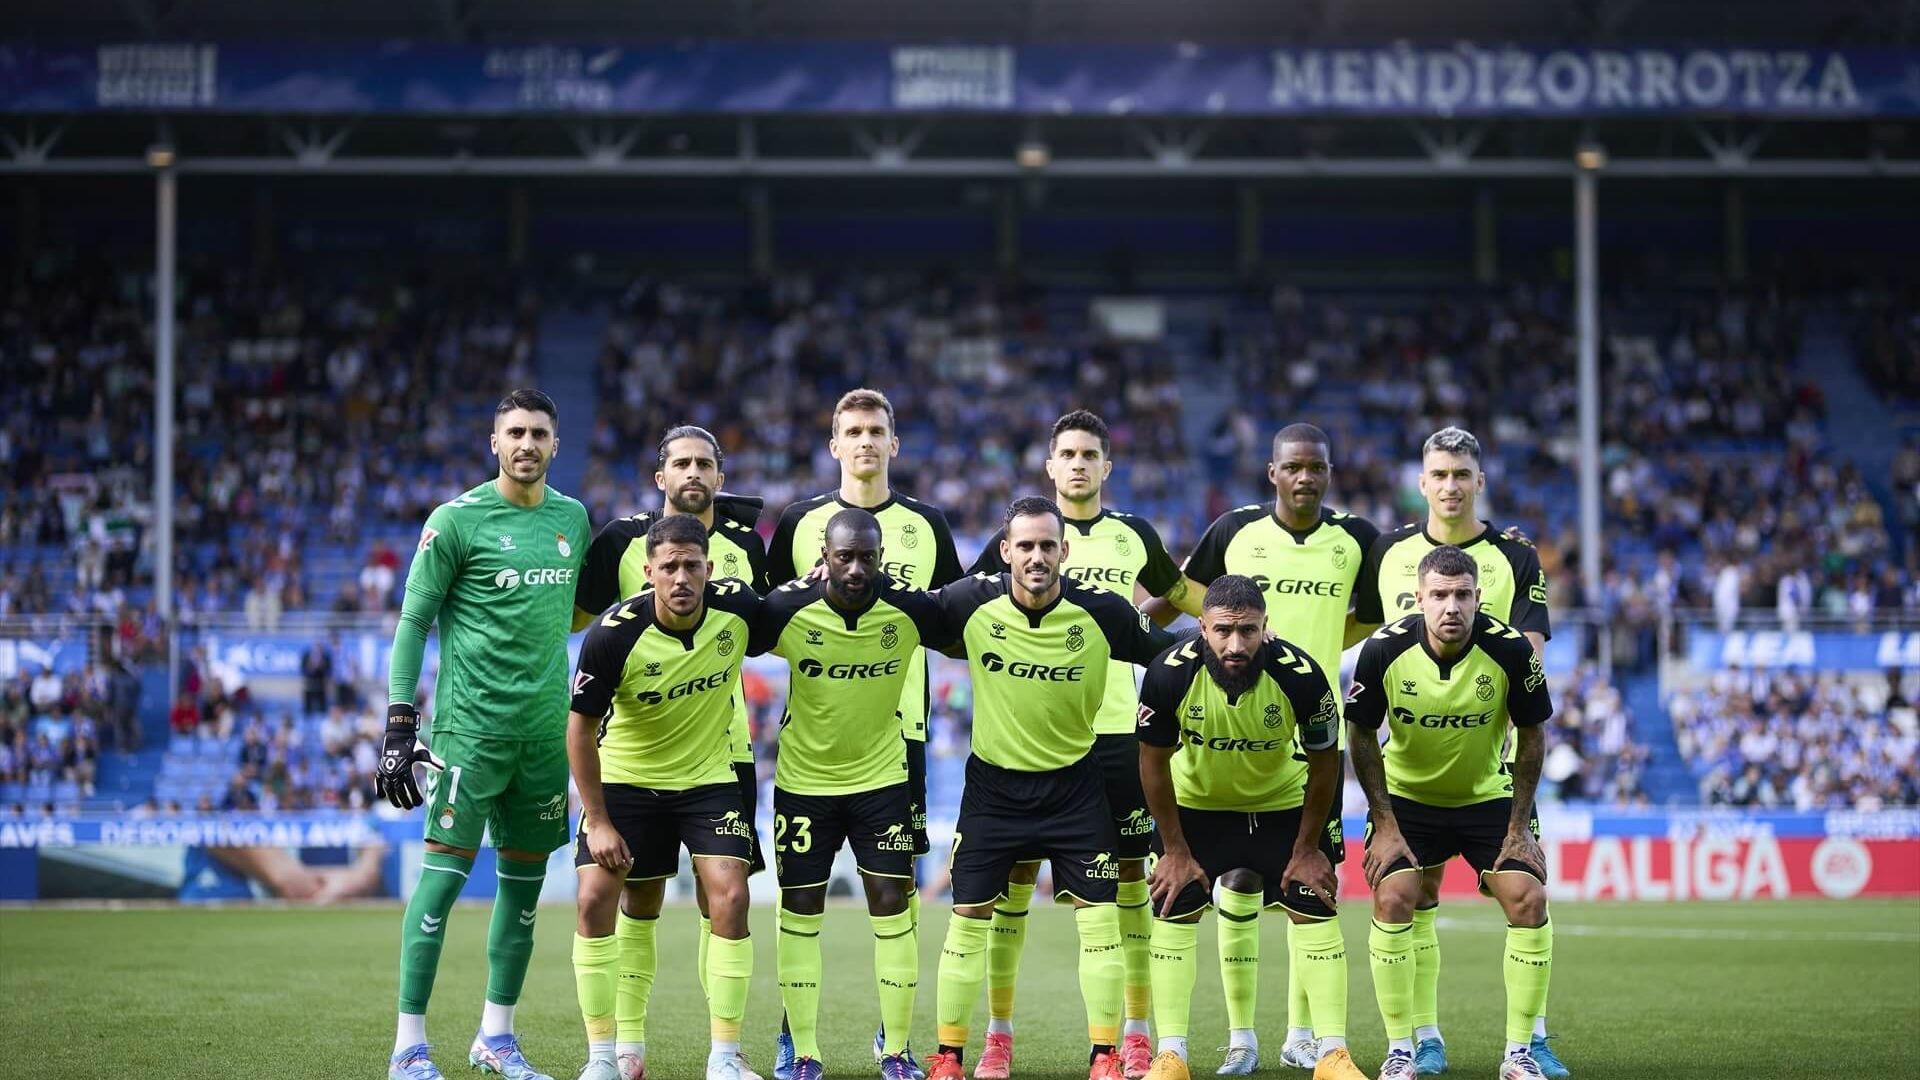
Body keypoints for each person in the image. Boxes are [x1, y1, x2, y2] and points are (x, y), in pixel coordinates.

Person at [1146, 423, 1380, 1073]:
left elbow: (1380, 611)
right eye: (1293, 466)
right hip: (1217, 755)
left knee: (1311, 888)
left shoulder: (1357, 539)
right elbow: (1181, 593)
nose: (1305, 477)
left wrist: (1328, 640)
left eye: (1317, 467)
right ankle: (1229, 1041)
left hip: (1302, 730)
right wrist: (1133, 629)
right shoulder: (1233, 532)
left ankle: (1313, 1039)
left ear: (1328, 473)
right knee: (1225, 887)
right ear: (1272, 472)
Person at [965, 410, 1189, 1080]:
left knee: (1127, 889)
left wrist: (1162, 626)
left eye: (1091, 453)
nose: (1080, 464)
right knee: (1011, 887)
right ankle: (998, 1036)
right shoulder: (1018, 535)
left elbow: (1174, 598)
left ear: (1107, 466)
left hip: (1119, 734)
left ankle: (1135, 1034)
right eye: (1068, 453)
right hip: (1035, 738)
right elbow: (977, 603)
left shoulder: (1132, 536)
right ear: (1051, 466)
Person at [921, 497, 1176, 1080]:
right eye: (1026, 546)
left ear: (1065, 551)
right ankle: (953, 1056)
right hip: (993, 790)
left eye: (1047, 546)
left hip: (1075, 788)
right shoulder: (968, 603)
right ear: (1006, 551)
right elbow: (902, 611)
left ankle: (1106, 1055)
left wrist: (1226, 640)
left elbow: (1171, 654)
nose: (1037, 556)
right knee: (968, 920)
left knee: (1100, 921)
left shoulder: (1104, 613)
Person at [377, 388, 590, 1080]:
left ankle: (495, 1038)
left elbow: (568, 612)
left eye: (539, 433)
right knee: (439, 886)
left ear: (556, 445)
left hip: (542, 742)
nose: (527, 444)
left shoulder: (573, 520)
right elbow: (413, 623)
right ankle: (409, 1046)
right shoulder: (456, 522)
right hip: (467, 738)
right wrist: (399, 723)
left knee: (525, 896)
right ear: (493, 443)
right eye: (515, 433)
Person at [1349, 426, 1558, 1078]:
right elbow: (1355, 633)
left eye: (1461, 474)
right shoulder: (1386, 553)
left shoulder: (1515, 556)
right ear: (1422, 482)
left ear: (1478, 481)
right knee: (1409, 893)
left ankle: (1530, 1043)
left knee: (1526, 895)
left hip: (1485, 769)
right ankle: (1415, 1041)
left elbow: (1530, 676)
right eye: (1438, 474)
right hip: (1411, 771)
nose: (1450, 485)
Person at [769, 388, 963, 1076]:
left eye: (877, 430)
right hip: (815, 735)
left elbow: (951, 620)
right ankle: (796, 1037)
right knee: (802, 896)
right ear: (834, 445)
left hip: (899, 734)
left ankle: (894, 1034)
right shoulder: (797, 522)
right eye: (852, 430)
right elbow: (767, 623)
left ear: (894, 443)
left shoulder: (926, 524)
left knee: (896, 895)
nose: (865, 442)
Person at [574, 424, 773, 1056]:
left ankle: (726, 1056)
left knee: (730, 899)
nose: (681, 577)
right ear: (649, 570)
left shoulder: (741, 588)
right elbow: (577, 720)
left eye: (704, 463)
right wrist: (596, 816)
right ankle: (616, 1052)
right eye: (669, 568)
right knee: (626, 898)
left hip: (717, 763)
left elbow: (784, 615)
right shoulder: (615, 621)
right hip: (629, 773)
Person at [1136, 575, 1363, 1080]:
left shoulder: (1300, 675)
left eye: (1248, 631)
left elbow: (1326, 763)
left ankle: (1332, 1054)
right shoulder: (1169, 674)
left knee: (1315, 908)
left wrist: (1307, 847)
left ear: (1266, 627)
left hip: (1281, 808)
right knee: (1174, 907)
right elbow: (1152, 763)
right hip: (1198, 810)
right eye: (1223, 631)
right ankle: (1171, 1054)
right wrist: (1174, 849)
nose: (1235, 645)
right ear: (1202, 628)